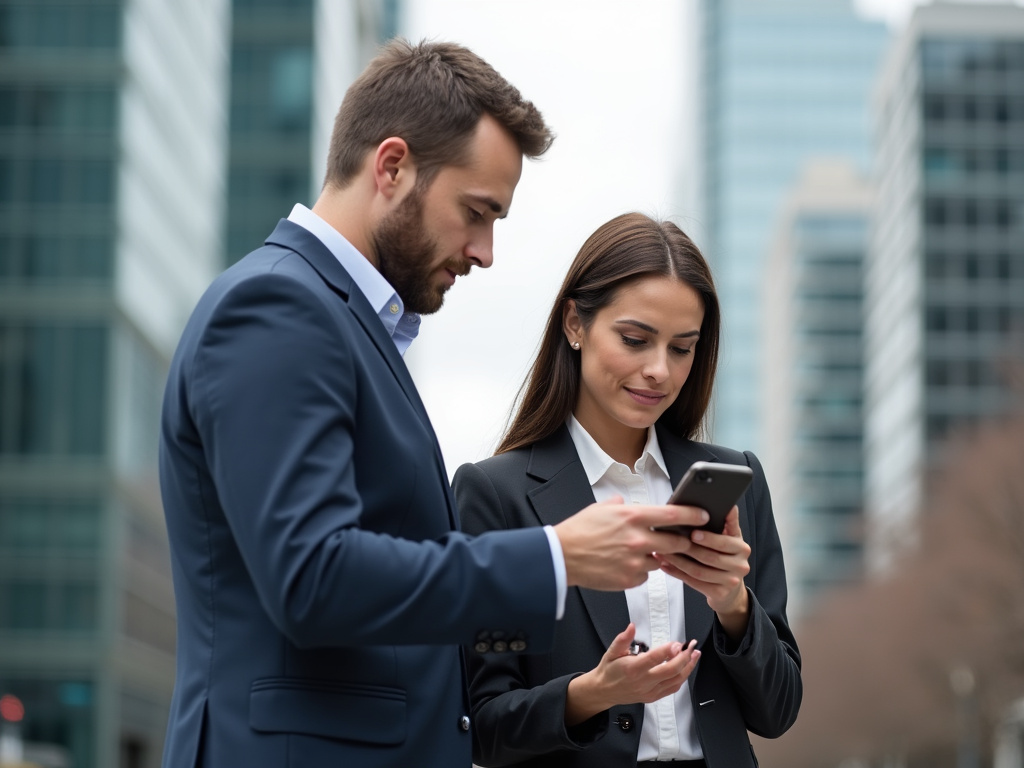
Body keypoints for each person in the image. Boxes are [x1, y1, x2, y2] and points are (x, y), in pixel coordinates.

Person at [158, 42, 708, 768]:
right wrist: (555, 556)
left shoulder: (347, 323)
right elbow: (312, 578)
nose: (484, 251)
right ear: (391, 167)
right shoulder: (278, 308)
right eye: (476, 212)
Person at [453, 212, 802, 768]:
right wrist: (595, 691)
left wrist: (733, 604)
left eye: (682, 348)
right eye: (635, 339)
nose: (659, 370)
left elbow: (778, 712)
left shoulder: (737, 483)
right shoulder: (497, 495)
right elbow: (485, 723)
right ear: (575, 324)